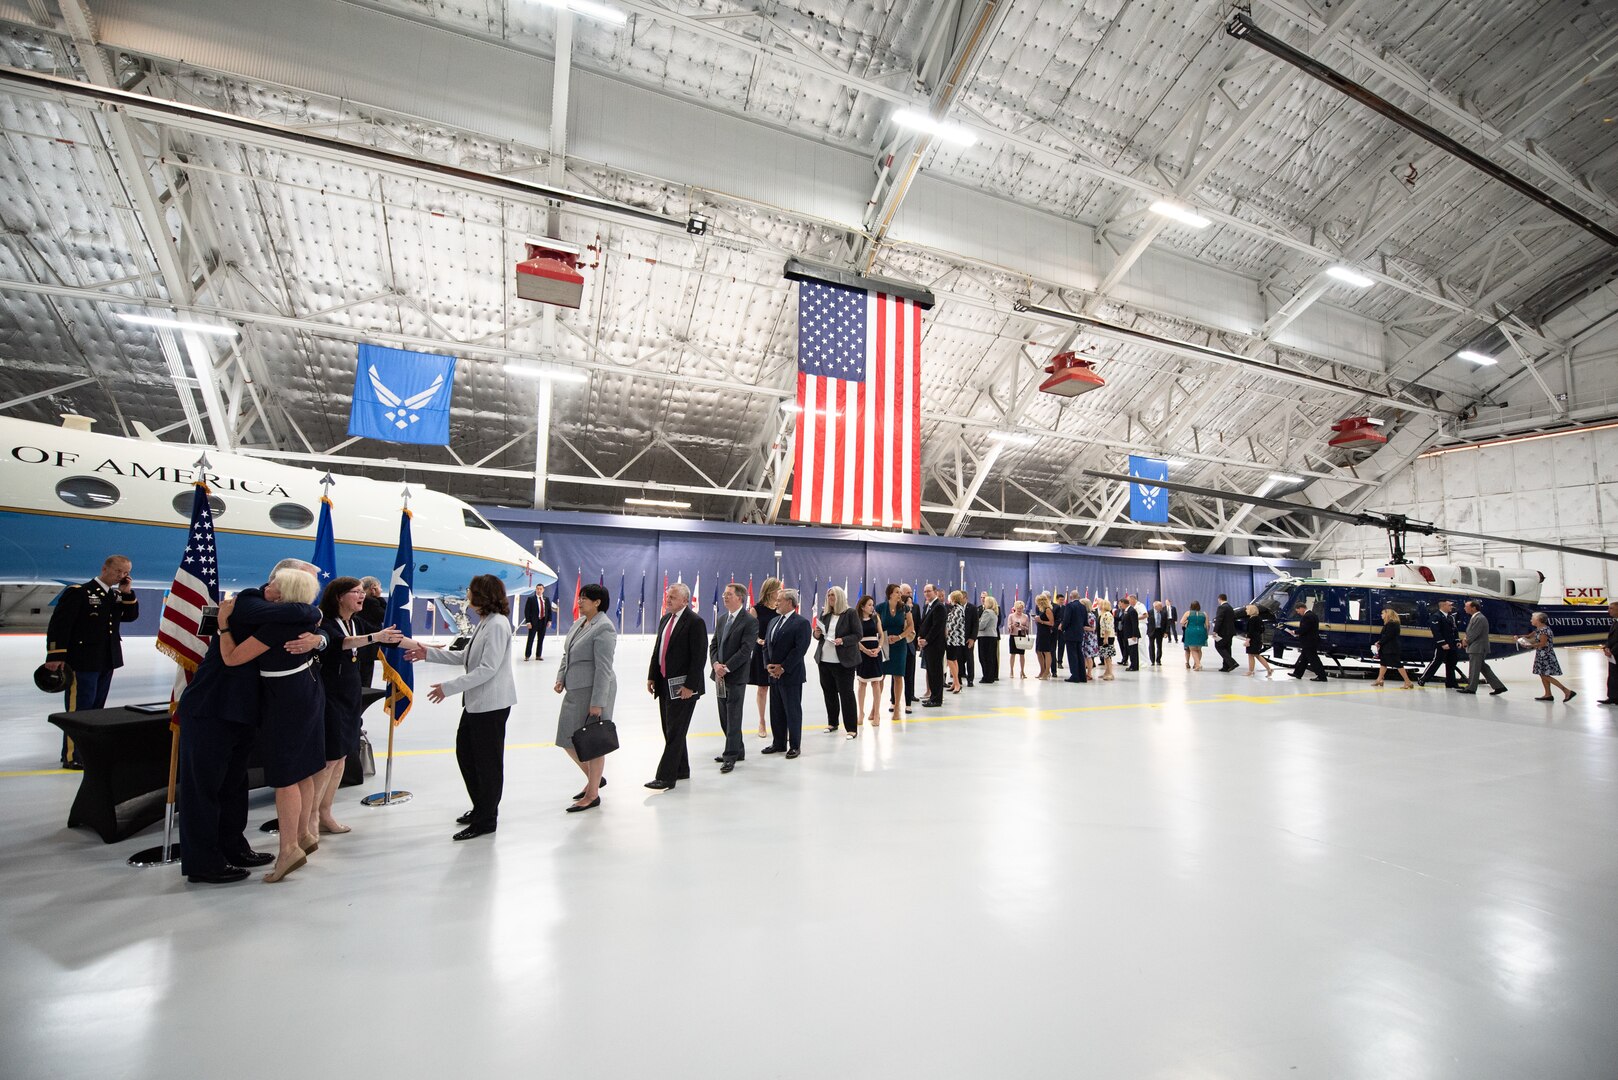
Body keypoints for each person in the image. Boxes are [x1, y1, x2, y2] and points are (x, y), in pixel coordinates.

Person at [176, 560, 323, 885]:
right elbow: (303, 614)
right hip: (211, 708)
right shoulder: (247, 602)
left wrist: (316, 626)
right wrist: (312, 613)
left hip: (241, 712)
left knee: (233, 786)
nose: (270, 589)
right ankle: (203, 862)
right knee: (203, 790)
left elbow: (308, 617)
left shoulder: (286, 612)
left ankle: (233, 847)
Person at [217, 567, 326, 881]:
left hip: (285, 698)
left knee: (285, 775)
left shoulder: (277, 625)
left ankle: (289, 847)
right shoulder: (304, 618)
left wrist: (224, 627)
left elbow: (233, 658)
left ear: (286, 591)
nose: (269, 584)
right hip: (307, 691)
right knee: (304, 767)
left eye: (275, 583)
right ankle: (304, 834)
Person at [403, 574, 518, 839]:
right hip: (477, 704)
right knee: (467, 755)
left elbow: (488, 669)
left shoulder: (498, 625)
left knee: (487, 764)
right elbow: (464, 657)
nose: (467, 594)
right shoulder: (486, 622)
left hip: (491, 705)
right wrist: (427, 653)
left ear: (483, 596)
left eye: (471, 590)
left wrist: (449, 688)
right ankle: (481, 808)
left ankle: (486, 819)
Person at [313, 577, 402, 837]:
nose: (361, 596)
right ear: (339, 596)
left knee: (341, 758)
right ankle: (312, 814)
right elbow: (341, 642)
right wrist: (376, 636)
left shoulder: (356, 623)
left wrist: (425, 648)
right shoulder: (327, 622)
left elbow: (389, 640)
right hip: (330, 698)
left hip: (350, 696)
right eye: (355, 592)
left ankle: (325, 811)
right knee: (330, 759)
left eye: (363, 592)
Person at [45, 554, 138, 766]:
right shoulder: (80, 593)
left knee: (96, 710)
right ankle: (72, 756)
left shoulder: (114, 595)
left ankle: (87, 753)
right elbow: (60, 625)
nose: (121, 576)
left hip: (106, 659)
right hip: (82, 660)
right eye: (118, 572)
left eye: (126, 573)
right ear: (105, 568)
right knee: (80, 710)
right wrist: (55, 655)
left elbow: (130, 616)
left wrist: (127, 593)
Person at [553, 582, 616, 808]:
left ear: (597, 602)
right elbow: (567, 654)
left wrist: (598, 702)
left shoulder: (604, 628)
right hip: (575, 690)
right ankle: (594, 780)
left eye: (584, 598)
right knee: (567, 738)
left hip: (593, 690)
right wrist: (561, 677)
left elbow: (604, 668)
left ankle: (592, 794)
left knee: (594, 742)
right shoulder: (580, 624)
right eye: (579, 597)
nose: (579, 601)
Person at [645, 582, 707, 791]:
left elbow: (699, 658)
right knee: (670, 729)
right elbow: (658, 651)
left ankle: (666, 776)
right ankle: (682, 769)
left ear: (684, 600)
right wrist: (652, 676)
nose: (667, 600)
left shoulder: (695, 622)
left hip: (684, 688)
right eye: (667, 596)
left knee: (675, 732)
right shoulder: (665, 619)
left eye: (672, 597)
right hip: (664, 684)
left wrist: (690, 686)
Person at [709, 583, 757, 772]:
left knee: (734, 716)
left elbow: (746, 650)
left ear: (740, 598)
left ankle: (730, 756)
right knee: (724, 716)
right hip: (719, 676)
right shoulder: (722, 619)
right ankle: (739, 749)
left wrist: (726, 668)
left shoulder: (749, 621)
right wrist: (715, 665)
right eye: (724, 594)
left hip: (735, 676)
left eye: (729, 594)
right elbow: (713, 645)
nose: (724, 597)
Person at [763, 588, 812, 757]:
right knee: (776, 711)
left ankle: (795, 745)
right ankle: (778, 743)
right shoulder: (773, 621)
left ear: (790, 603)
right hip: (773, 675)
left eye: (780, 600)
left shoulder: (801, 623)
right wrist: (768, 666)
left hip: (791, 675)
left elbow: (799, 650)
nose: (776, 603)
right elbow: (766, 645)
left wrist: (782, 667)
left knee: (792, 711)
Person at [813, 586, 860, 737]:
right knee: (829, 693)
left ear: (839, 596)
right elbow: (819, 636)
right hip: (825, 660)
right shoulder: (825, 614)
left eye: (832, 595)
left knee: (846, 694)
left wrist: (843, 640)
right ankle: (832, 722)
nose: (830, 598)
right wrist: (816, 633)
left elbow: (858, 635)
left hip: (843, 662)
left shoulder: (850, 613)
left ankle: (851, 729)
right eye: (828, 595)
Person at [749, 577, 783, 738]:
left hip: (777, 652)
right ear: (771, 591)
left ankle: (780, 723)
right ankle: (762, 721)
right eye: (779, 589)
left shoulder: (780, 608)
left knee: (779, 689)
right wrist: (758, 640)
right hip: (761, 651)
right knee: (762, 688)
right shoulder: (756, 609)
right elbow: (751, 632)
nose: (780, 592)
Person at [877, 584, 914, 722]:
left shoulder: (905, 608)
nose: (900, 595)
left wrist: (899, 637)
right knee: (880, 676)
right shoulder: (880, 607)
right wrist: (883, 638)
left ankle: (897, 707)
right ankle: (875, 708)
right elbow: (877, 625)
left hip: (899, 645)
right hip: (884, 644)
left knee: (898, 676)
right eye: (897, 592)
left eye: (900, 592)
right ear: (890, 594)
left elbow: (911, 626)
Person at [1458, 600, 1507, 695]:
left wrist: (1466, 641)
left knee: (1474, 668)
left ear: (1473, 608)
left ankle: (1471, 688)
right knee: (1483, 668)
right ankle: (1499, 686)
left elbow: (1474, 633)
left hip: (1477, 648)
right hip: (1477, 647)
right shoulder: (1476, 617)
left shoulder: (1479, 618)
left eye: (1466, 606)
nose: (1464, 608)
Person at [1524, 612, 1575, 702]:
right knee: (1542, 674)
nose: (1531, 620)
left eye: (1532, 618)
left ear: (1538, 620)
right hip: (1541, 654)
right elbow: (1528, 637)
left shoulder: (1544, 631)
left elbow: (1543, 643)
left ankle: (1567, 691)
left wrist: (1530, 646)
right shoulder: (1538, 630)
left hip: (1546, 655)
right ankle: (1548, 694)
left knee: (1545, 675)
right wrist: (1518, 638)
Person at [854, 594, 887, 726]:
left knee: (876, 683)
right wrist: (865, 650)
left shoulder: (876, 617)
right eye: (869, 605)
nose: (872, 607)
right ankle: (860, 712)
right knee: (862, 683)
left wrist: (878, 648)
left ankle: (877, 713)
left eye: (872, 605)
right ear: (862, 607)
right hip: (863, 652)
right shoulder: (856, 619)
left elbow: (881, 636)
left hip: (875, 652)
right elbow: (855, 638)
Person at [1418, 600, 1461, 689]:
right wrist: (1442, 643)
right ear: (1443, 606)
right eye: (1449, 605)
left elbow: (1455, 630)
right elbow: (1436, 631)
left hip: (1452, 644)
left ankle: (1451, 683)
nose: (1451, 607)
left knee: (1451, 663)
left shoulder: (1451, 617)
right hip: (1442, 645)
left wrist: (1457, 641)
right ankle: (1423, 679)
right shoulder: (1436, 617)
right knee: (1436, 662)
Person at [917, 583, 947, 706]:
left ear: (935, 592)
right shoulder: (928, 606)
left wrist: (927, 640)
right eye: (925, 591)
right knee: (931, 671)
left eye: (929, 591)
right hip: (928, 645)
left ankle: (936, 699)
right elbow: (923, 624)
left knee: (936, 672)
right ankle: (932, 696)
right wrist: (920, 637)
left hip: (935, 645)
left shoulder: (938, 606)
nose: (926, 594)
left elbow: (937, 627)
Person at [1371, 607, 1413, 688]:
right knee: (1383, 664)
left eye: (1383, 613)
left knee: (1397, 664)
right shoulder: (1388, 624)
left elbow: (1388, 636)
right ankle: (1379, 680)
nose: (1381, 615)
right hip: (1386, 648)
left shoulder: (1392, 624)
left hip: (1391, 648)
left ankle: (1408, 681)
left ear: (1388, 614)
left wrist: (1379, 642)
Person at [1287, 602, 1328, 681]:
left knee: (1313, 659)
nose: (1298, 613)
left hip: (1309, 642)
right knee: (1304, 658)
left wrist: (1295, 632)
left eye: (1298, 611)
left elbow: (1304, 628)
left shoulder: (1307, 616)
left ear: (1301, 608)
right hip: (1311, 641)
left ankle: (1322, 676)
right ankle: (1298, 673)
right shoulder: (1313, 615)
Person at [357, 576, 386, 686]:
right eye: (379, 587)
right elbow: (385, 616)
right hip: (367, 647)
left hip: (359, 645)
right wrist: (379, 598)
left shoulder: (360, 601)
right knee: (365, 680)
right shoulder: (372, 602)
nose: (381, 590)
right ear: (373, 588)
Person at [943, 589, 970, 694]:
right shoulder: (955, 608)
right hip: (953, 638)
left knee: (950, 660)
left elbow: (953, 624)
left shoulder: (958, 609)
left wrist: (945, 631)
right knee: (954, 660)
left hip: (954, 638)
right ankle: (955, 682)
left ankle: (957, 683)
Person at [1060, 590, 1087, 683]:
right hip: (1080, 633)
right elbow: (1085, 621)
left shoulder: (1069, 606)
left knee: (1072, 655)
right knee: (1080, 654)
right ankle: (1082, 676)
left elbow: (1066, 619)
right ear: (1078, 597)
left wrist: (1062, 628)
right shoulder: (1083, 607)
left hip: (1070, 634)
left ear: (1070, 597)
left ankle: (1075, 676)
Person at [900, 584, 919, 707]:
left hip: (911, 644)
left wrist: (917, 643)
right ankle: (894, 698)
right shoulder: (896, 608)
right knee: (896, 674)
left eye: (911, 592)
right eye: (907, 592)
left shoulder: (916, 607)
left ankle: (910, 695)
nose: (910, 594)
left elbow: (918, 624)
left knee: (910, 673)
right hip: (899, 643)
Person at [1242, 603, 1274, 678]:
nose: (1246, 611)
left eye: (1247, 609)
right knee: (1254, 655)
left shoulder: (1252, 620)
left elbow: (1250, 631)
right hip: (1258, 639)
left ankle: (1265, 669)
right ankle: (1253, 670)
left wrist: (1248, 640)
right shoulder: (1259, 619)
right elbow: (1262, 629)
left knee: (1254, 655)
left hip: (1253, 640)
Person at [976, 594, 1000, 685]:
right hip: (992, 637)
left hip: (985, 637)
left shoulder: (987, 612)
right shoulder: (994, 612)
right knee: (990, 657)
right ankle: (991, 676)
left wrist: (976, 623)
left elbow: (982, 626)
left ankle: (987, 677)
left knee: (984, 657)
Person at [1033, 593, 1056, 680]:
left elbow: (1051, 623)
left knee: (1046, 651)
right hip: (1040, 632)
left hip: (1046, 633)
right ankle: (1042, 670)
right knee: (1038, 651)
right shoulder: (1040, 610)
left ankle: (1047, 672)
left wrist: (1041, 621)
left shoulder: (1048, 610)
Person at [1005, 599, 1030, 679]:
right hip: (1013, 636)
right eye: (1018, 608)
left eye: (1021, 608)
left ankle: (1022, 671)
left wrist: (1021, 627)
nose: (1019, 610)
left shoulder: (1025, 616)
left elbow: (1027, 628)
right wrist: (1012, 626)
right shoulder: (1011, 616)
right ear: (1015, 608)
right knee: (1013, 654)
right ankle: (1011, 671)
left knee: (1022, 654)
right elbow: (1008, 626)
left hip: (1022, 636)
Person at [522, 587, 550, 661]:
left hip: (543, 622)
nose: (539, 590)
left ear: (543, 590)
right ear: (535, 590)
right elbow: (527, 611)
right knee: (530, 639)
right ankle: (527, 656)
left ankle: (538, 655)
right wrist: (528, 622)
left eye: (541, 589)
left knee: (540, 639)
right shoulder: (531, 599)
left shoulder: (546, 599)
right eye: (537, 589)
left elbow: (549, 610)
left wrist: (549, 620)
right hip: (533, 622)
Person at [1213, 595, 1238, 672]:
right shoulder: (1230, 607)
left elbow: (1219, 620)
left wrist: (1215, 630)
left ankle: (1232, 662)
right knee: (1227, 648)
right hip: (1230, 631)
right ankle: (1226, 666)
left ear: (1219, 599)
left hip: (1223, 632)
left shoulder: (1221, 607)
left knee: (1219, 646)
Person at [1180, 601, 1207, 671]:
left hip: (1191, 631)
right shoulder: (1204, 614)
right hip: (1201, 631)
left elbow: (1181, 622)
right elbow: (1207, 625)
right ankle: (1196, 663)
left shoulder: (1188, 613)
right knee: (1199, 649)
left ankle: (1198, 664)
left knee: (1193, 649)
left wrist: (1186, 623)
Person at [1117, 594, 1141, 672]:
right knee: (1130, 650)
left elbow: (1135, 623)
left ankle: (1134, 666)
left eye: (1121, 604)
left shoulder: (1132, 611)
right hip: (1127, 634)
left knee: (1133, 651)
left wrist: (1134, 635)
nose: (1120, 606)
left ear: (1124, 603)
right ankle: (1133, 665)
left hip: (1132, 635)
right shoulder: (1127, 611)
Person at [961, 592, 980, 687]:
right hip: (958, 639)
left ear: (966, 598)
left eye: (961, 597)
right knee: (959, 659)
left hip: (968, 639)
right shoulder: (955, 608)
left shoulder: (972, 608)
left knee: (969, 659)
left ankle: (970, 679)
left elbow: (975, 625)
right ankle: (958, 679)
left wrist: (972, 638)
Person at [1095, 598, 1117, 680]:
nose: (1098, 605)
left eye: (1100, 604)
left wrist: (1106, 638)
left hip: (1107, 637)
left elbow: (1108, 627)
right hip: (1102, 636)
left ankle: (1110, 673)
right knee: (1104, 655)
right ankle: (1106, 672)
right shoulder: (1102, 614)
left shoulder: (1107, 614)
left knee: (1108, 656)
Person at [1146, 600, 1170, 666]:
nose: (1162, 607)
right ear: (1156, 607)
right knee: (1151, 646)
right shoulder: (1149, 612)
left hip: (1160, 631)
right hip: (1152, 631)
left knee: (1159, 646)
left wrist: (1166, 632)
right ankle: (1152, 660)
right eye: (1160, 606)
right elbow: (1147, 622)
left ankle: (1158, 660)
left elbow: (1167, 623)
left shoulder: (1164, 613)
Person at [1603, 601, 1618, 705]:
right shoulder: (1614, 622)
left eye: (1611, 608)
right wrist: (1607, 647)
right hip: (1613, 654)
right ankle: (1612, 697)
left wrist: (1612, 651)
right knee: (1612, 676)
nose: (1609, 610)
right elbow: (1611, 638)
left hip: (1615, 653)